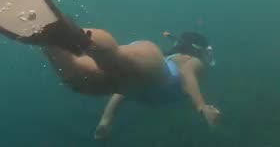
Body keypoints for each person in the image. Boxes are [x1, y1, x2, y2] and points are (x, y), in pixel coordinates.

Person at [41, 28, 222, 139]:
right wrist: (201, 106)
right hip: (155, 70)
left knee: (79, 81)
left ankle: (49, 39)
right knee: (113, 60)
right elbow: (187, 75)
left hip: (135, 84)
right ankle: (72, 33)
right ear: (199, 50)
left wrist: (106, 119)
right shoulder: (192, 61)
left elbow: (122, 93)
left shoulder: (178, 58)